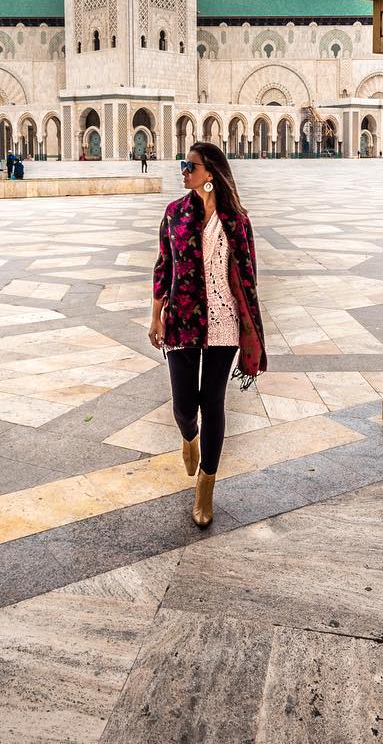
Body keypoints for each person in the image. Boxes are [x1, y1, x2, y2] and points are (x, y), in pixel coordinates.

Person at [149, 142, 267, 529]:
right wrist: (156, 318)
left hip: (223, 321)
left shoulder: (237, 222)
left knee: (212, 401)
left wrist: (252, 330)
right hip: (182, 318)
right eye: (184, 165)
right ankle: (189, 437)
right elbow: (163, 268)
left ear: (211, 173)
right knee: (184, 404)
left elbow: (248, 279)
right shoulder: (174, 214)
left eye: (190, 166)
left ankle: (206, 485)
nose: (183, 171)